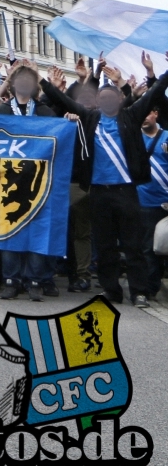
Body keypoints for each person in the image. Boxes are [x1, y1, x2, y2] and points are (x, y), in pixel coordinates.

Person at [43, 60, 168, 307]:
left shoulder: (131, 116)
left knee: (133, 247)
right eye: (103, 99)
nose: (108, 102)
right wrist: (42, 81)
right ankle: (112, 291)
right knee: (105, 246)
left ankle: (139, 292)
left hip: (127, 192)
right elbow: (62, 100)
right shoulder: (90, 118)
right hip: (99, 193)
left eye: (112, 98)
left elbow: (154, 91)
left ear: (120, 100)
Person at [0, 62, 57, 302]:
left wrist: (68, 119)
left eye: (29, 81)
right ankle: (11, 280)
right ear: (13, 84)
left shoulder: (44, 112)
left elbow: (60, 137)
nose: (24, 84)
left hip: (38, 182)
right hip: (6, 181)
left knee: (36, 233)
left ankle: (35, 281)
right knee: (9, 231)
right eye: (20, 80)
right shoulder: (0, 112)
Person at [135, 107, 167, 302]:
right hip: (141, 201)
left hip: (164, 201)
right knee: (147, 247)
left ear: (156, 113)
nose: (144, 118)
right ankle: (148, 288)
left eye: (147, 113)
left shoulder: (166, 138)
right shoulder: (132, 138)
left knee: (160, 247)